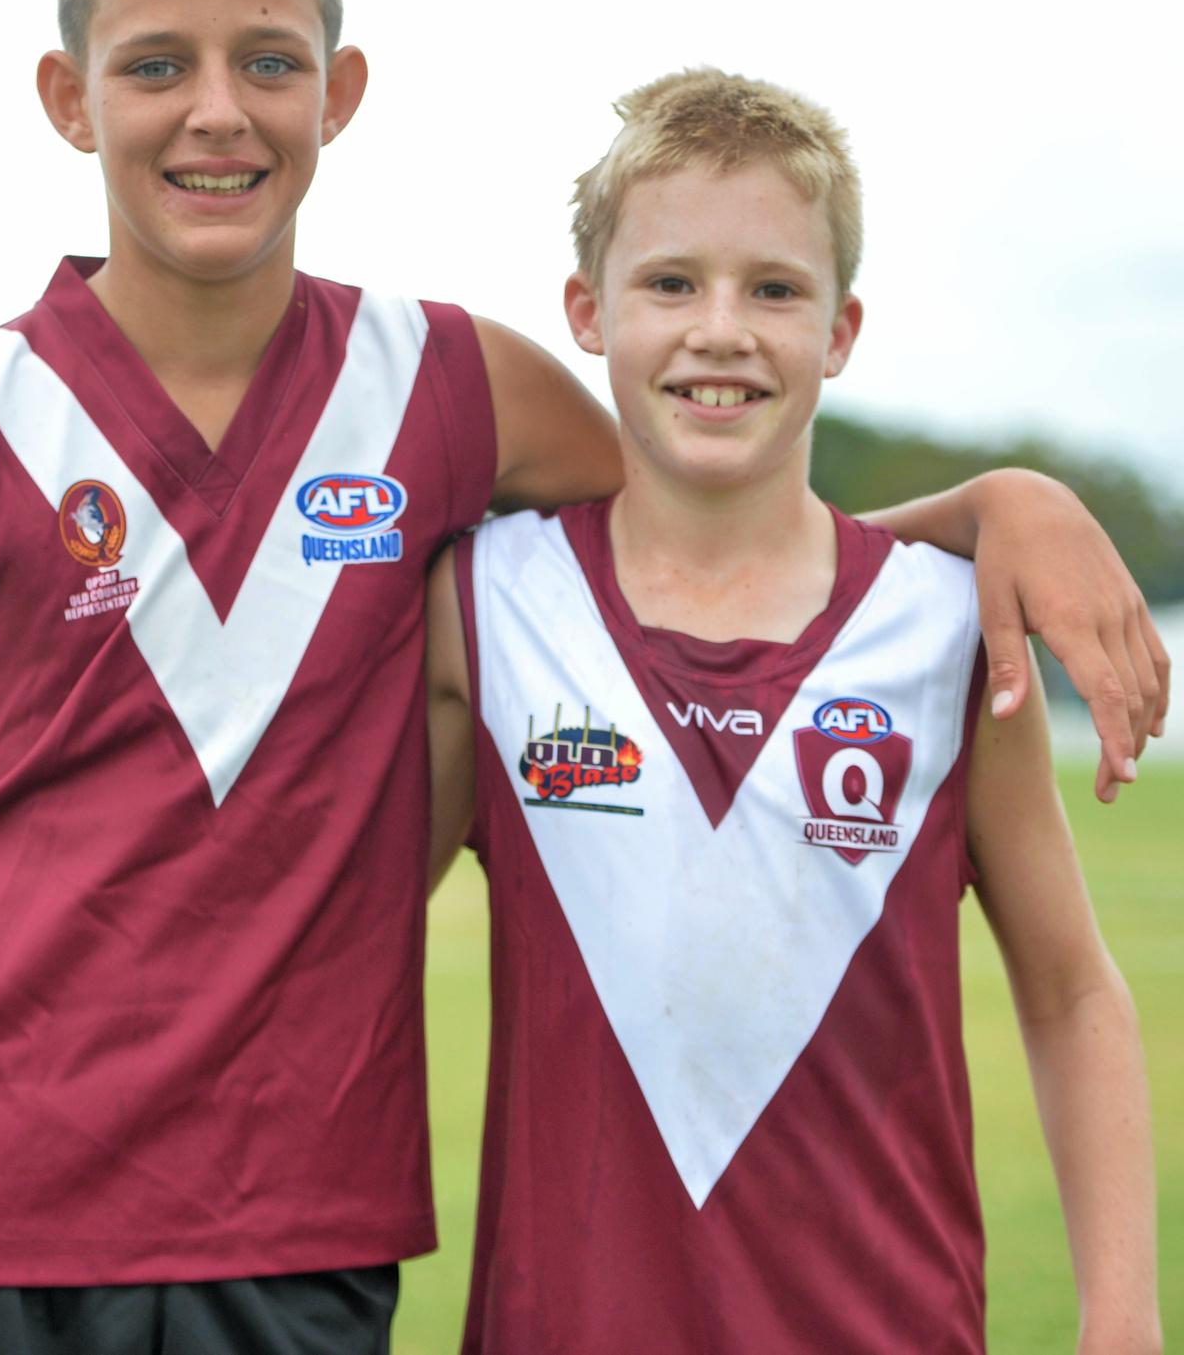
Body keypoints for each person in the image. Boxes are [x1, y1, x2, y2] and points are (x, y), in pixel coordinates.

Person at [0, 0, 1165, 1355]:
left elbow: (716, 524)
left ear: (339, 93)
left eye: (267, 62)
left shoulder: (450, 389)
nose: (216, 109)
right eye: (158, 64)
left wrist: (993, 507)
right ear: (70, 96)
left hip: (285, 1226)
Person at [426, 69, 1161, 1353]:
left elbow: (1069, 992)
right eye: (670, 284)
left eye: (773, 288)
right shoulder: (484, 603)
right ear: (586, 313)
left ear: (839, 331)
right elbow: (304, 903)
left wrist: (1121, 1319)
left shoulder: (943, 631)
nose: (721, 329)